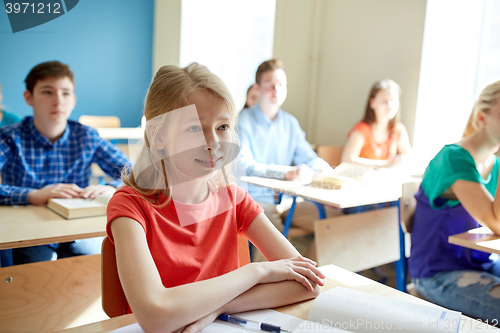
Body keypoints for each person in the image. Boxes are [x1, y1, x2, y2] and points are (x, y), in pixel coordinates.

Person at [106, 62, 325, 333]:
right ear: (159, 136)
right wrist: (255, 272)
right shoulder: (130, 205)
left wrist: (217, 308)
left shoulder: (235, 199)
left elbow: (309, 282)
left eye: (223, 126)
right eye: (195, 129)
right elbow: (155, 316)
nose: (214, 142)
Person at [0, 61, 131, 264]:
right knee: (34, 269)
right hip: (30, 229)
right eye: (47, 92)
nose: (58, 101)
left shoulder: (86, 136)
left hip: (75, 224)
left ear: (74, 100)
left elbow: (133, 172)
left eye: (66, 93)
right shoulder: (9, 138)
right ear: (29, 97)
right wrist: (33, 195)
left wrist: (112, 187)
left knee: (92, 260)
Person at [409, 81, 500, 321]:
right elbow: (496, 221)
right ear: (481, 117)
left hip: (481, 263)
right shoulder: (453, 158)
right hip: (438, 272)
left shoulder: (496, 164)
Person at [238, 59, 337, 232]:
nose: (276, 90)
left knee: (335, 222)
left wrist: (319, 166)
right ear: (256, 88)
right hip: (256, 200)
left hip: (288, 201)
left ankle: (315, 260)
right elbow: (245, 166)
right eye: (270, 85)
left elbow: (308, 157)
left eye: (281, 85)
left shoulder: (290, 123)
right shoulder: (242, 121)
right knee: (273, 237)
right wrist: (286, 173)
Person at [341, 79, 412, 166]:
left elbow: (409, 158)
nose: (389, 105)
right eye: (384, 100)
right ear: (372, 103)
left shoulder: (398, 130)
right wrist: (385, 164)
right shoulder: (361, 130)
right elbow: (346, 160)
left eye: (393, 100)